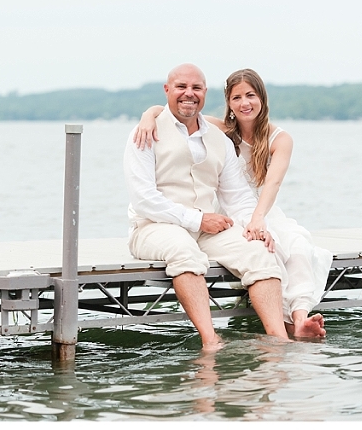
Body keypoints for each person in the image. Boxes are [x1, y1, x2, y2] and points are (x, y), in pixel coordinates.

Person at [124, 63, 325, 350]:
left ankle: (279, 340)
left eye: (196, 88)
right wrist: (197, 220)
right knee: (183, 251)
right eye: (181, 87)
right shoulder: (147, 132)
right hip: (155, 226)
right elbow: (144, 199)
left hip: (208, 227)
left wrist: (255, 226)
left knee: (260, 251)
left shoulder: (218, 138)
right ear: (167, 90)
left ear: (205, 93)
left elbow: (239, 197)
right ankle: (211, 340)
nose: (188, 94)